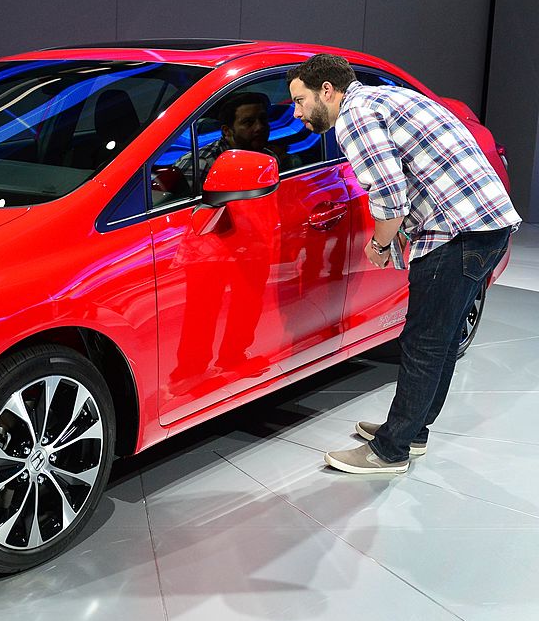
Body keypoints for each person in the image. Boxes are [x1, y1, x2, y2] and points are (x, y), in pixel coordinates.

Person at [287, 54, 521, 474]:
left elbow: (391, 196)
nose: (297, 112)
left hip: (455, 233)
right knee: (441, 341)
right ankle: (411, 431)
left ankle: (389, 450)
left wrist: (378, 245)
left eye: (300, 100)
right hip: (489, 224)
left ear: (327, 90)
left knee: (424, 343)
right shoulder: (387, 96)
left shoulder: (354, 116)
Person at [192, 91, 293, 189]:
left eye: (263, 119)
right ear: (227, 131)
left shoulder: (269, 157)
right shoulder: (203, 164)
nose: (259, 127)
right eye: (248, 122)